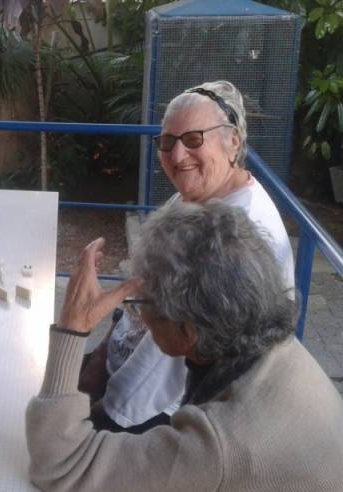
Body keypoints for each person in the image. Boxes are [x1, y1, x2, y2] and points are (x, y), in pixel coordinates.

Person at [26, 201, 343, 491]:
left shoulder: (218, 444)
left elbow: (57, 466)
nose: (136, 315)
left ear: (187, 332)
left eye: (140, 303)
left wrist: (71, 327)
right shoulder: (279, 348)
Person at [78, 80, 295, 432]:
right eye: (167, 142)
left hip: (159, 408)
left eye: (194, 139)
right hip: (122, 370)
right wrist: (101, 354)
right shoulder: (195, 197)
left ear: (233, 143)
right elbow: (141, 292)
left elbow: (166, 359)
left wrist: (104, 411)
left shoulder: (237, 233)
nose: (177, 156)